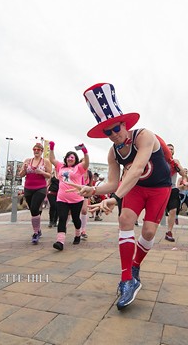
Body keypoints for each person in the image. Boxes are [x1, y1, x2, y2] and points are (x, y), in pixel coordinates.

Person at [71, 83, 172, 310]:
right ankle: (127, 279)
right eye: (108, 132)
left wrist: (115, 198)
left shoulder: (144, 136)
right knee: (125, 220)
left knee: (147, 232)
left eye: (116, 128)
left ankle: (135, 266)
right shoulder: (113, 152)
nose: (114, 134)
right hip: (135, 188)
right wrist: (94, 190)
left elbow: (136, 169)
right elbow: (115, 182)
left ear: (125, 124)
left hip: (160, 188)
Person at [48, 142, 89, 251]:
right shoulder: (60, 166)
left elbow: (86, 163)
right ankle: (60, 241)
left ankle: (78, 234)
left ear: (75, 159)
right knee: (62, 218)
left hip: (76, 199)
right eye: (68, 157)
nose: (70, 159)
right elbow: (52, 159)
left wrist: (85, 152)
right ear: (65, 158)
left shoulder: (79, 168)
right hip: (61, 198)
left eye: (72, 157)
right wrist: (51, 148)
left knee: (76, 218)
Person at [19, 143, 52, 244]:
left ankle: (35, 233)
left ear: (42, 151)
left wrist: (41, 172)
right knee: (33, 210)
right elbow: (20, 175)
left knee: (34, 208)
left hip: (40, 188)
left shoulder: (45, 161)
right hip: (28, 188)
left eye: (38, 149)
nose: (36, 151)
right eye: (34, 149)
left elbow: (50, 175)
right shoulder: (27, 161)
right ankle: (38, 229)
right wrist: (24, 169)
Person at [164, 143, 183, 242]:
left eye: (172, 149)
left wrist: (177, 165)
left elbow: (182, 173)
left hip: (172, 188)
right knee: (156, 212)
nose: (170, 150)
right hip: (161, 189)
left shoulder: (175, 161)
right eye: (168, 149)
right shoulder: (160, 161)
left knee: (173, 210)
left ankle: (169, 232)